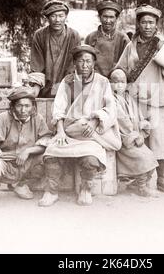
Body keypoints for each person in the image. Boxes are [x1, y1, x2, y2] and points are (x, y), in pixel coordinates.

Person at [115, 4, 164, 194]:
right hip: (137, 100)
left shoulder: (163, 43)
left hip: (159, 99)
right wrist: (118, 78)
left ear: (156, 25)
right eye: (144, 22)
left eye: (151, 22)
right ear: (138, 24)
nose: (147, 26)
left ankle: (162, 180)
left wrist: (163, 53)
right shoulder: (131, 46)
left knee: (160, 140)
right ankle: (140, 179)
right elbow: (121, 68)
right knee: (139, 139)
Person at [41, 45, 121, 207]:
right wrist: (61, 132)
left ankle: (85, 189)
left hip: (91, 133)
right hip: (70, 131)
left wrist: (94, 121)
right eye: (80, 61)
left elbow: (111, 108)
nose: (84, 65)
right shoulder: (68, 81)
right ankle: (51, 191)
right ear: (74, 63)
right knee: (51, 153)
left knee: (91, 159)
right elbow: (59, 109)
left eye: (88, 61)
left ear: (94, 64)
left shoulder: (102, 82)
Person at [0, 87, 53, 201]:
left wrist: (28, 151)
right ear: (12, 107)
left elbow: (46, 139)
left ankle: (22, 185)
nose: (23, 110)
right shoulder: (3, 118)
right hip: (6, 161)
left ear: (33, 107)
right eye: (19, 105)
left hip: (27, 161)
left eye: (27, 106)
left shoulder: (37, 119)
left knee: (48, 158)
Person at [109, 68, 158, 197]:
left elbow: (139, 117)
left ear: (126, 83)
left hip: (134, 137)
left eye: (122, 81)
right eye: (115, 81)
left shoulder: (128, 98)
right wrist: (135, 136)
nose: (119, 84)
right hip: (122, 140)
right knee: (144, 158)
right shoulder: (110, 100)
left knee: (151, 157)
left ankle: (137, 183)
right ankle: (141, 187)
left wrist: (141, 131)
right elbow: (123, 123)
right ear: (110, 83)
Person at [30, 0, 81, 97]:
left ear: (65, 17)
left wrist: (64, 85)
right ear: (47, 18)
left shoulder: (73, 35)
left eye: (61, 16)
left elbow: (75, 65)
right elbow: (37, 66)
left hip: (68, 85)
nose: (57, 20)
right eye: (53, 16)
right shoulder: (40, 35)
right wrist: (35, 90)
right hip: (45, 85)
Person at [85, 1, 130, 77]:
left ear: (116, 18)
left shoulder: (123, 39)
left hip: (114, 83)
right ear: (100, 17)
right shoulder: (90, 37)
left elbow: (128, 65)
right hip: (94, 82)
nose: (108, 21)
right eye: (105, 16)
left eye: (111, 17)